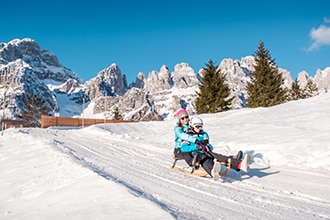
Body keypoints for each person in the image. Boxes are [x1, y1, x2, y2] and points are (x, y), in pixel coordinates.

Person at [173, 109, 249, 180]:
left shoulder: (192, 129)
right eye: (182, 118)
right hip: (181, 149)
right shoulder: (179, 129)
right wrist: (196, 143)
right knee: (201, 157)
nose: (185, 119)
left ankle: (238, 163)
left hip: (199, 148)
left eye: (186, 117)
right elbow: (184, 137)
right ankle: (197, 164)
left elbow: (203, 133)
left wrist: (206, 142)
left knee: (215, 155)